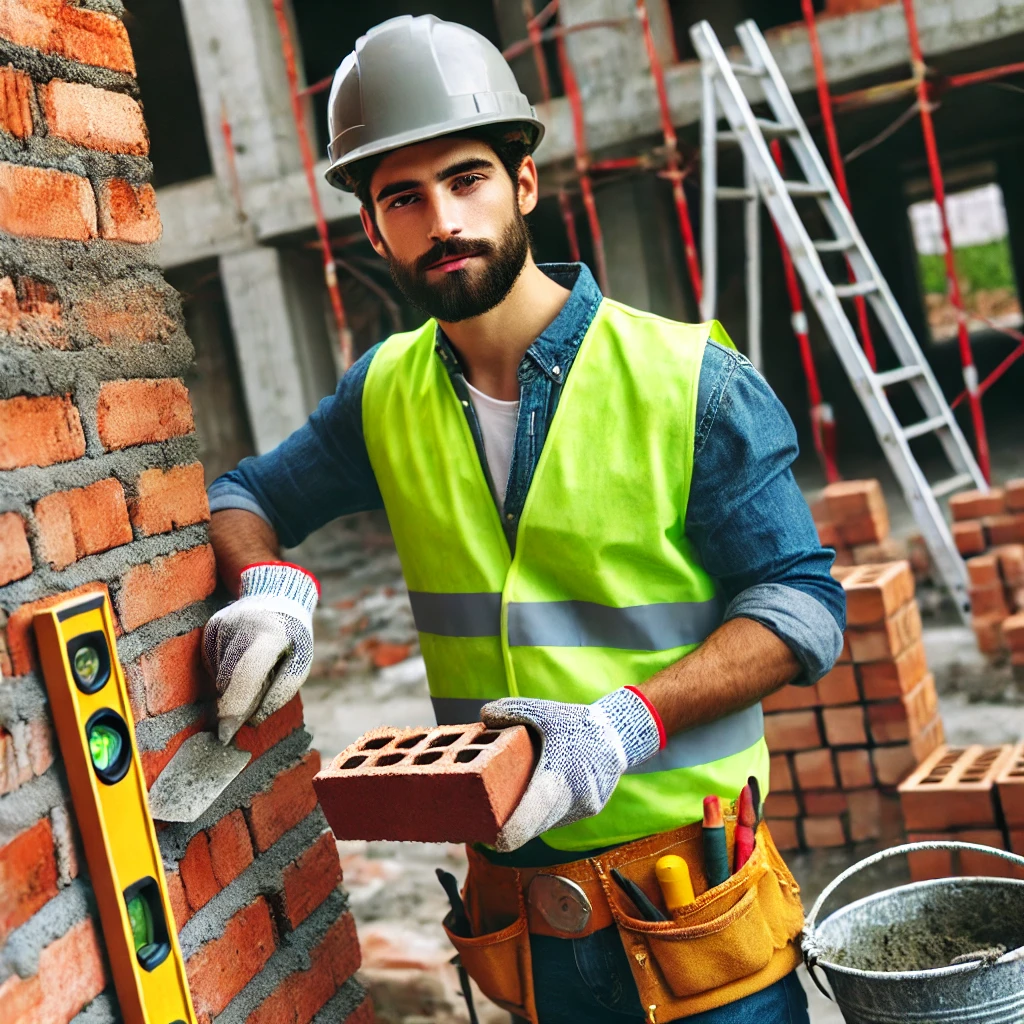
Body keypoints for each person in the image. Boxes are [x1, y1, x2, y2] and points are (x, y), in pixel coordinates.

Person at [203, 15, 844, 1024]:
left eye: (466, 179)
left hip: (699, 918)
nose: (441, 218)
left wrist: (626, 725)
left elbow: (803, 607)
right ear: (371, 227)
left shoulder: (690, 382)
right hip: (527, 934)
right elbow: (245, 496)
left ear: (525, 184)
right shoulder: (381, 397)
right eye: (402, 198)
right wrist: (270, 592)